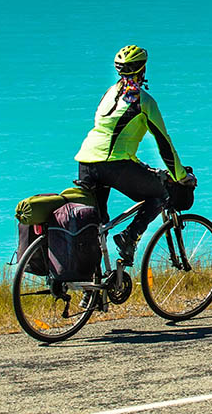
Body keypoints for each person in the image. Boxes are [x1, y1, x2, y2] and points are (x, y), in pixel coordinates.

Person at [75, 44, 189, 265]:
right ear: (143, 70)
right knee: (160, 194)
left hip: (86, 161)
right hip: (113, 165)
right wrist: (180, 175)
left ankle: (94, 289)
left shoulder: (108, 94)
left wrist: (140, 165)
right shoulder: (145, 102)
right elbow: (164, 145)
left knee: (96, 226)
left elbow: (110, 135)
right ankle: (130, 237)